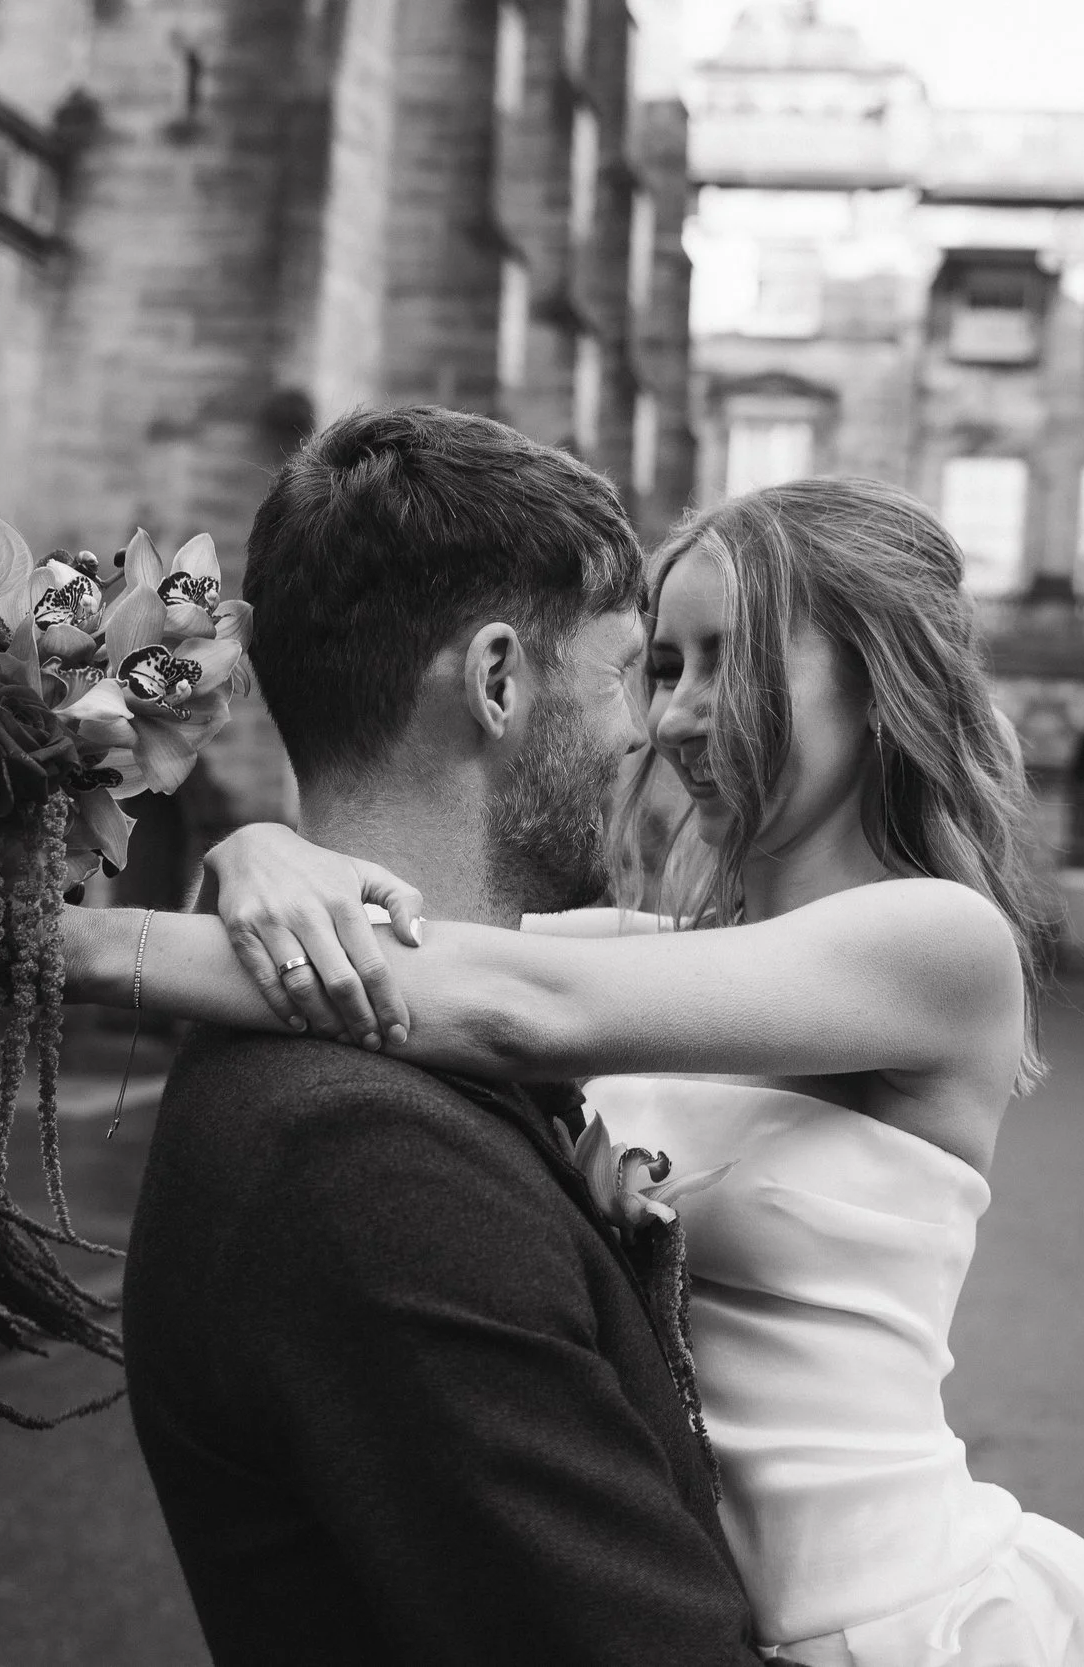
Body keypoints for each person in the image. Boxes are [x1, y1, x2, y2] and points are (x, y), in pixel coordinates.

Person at [73, 464, 1084, 1666]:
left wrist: (54, 938)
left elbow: (516, 1009)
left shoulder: (936, 943)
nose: (677, 716)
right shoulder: (672, 956)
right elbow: (411, 948)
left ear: (878, 670)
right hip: (691, 1594)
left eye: (727, 658)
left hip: (883, 1612)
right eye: (665, 667)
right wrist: (260, 850)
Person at [110, 406, 772, 1667]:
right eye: (629, 668)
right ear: (498, 679)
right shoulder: (363, 1152)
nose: (650, 733)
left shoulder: (372, 1069)